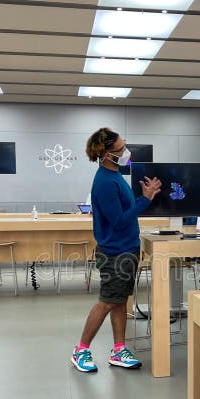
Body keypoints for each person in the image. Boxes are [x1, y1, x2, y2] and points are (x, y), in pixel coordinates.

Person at [71, 127, 162, 373]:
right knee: (107, 302)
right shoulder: (104, 182)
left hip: (126, 249)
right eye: (120, 149)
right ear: (106, 154)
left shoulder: (115, 176)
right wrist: (145, 199)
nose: (126, 151)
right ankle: (81, 350)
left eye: (125, 145)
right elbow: (119, 221)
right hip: (115, 253)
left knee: (120, 301)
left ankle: (119, 349)